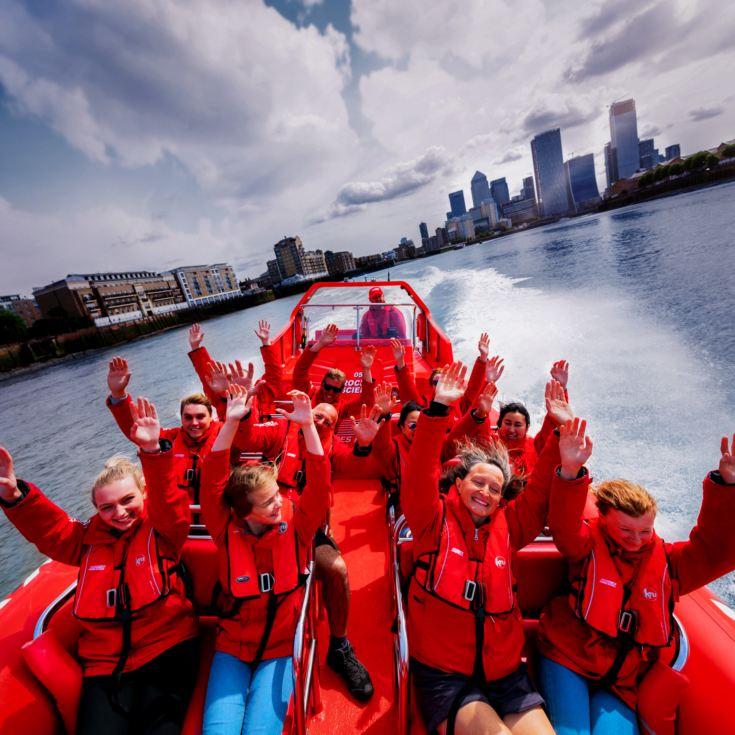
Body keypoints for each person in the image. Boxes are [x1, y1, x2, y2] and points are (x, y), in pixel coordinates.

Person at [0, 399, 199, 735]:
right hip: (105, 665)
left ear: (143, 494)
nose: (119, 513)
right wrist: (13, 495)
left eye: (128, 501)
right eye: (107, 507)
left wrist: (152, 451)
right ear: (96, 509)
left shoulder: (164, 529)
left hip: (168, 647)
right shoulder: (86, 541)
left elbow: (169, 501)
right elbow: (51, 530)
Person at [401, 363, 571, 735]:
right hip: (446, 676)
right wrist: (438, 409)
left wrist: (558, 427)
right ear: (458, 484)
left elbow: (541, 488)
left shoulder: (510, 527)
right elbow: (418, 475)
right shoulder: (432, 523)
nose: (486, 492)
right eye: (478, 482)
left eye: (495, 489)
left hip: (505, 674)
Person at [536, 422, 735, 735]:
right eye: (625, 531)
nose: (636, 540)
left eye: (645, 531)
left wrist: (726, 486)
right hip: (569, 657)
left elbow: (717, 551)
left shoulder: (669, 563)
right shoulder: (586, 544)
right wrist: (570, 471)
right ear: (603, 520)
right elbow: (563, 526)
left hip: (621, 679)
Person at [197, 386, 330, 734]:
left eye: (276, 496)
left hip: (281, 646)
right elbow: (212, 477)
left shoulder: (297, 525)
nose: (278, 504)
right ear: (243, 511)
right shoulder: (224, 528)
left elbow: (319, 483)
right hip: (232, 646)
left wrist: (308, 427)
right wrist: (228, 422)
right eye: (268, 501)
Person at [232, 394, 376, 701]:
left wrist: (364, 445)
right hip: (267, 516)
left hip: (306, 524)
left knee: (336, 569)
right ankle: (245, 638)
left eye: (328, 420)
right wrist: (242, 414)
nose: (321, 421)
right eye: (317, 415)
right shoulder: (280, 432)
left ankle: (339, 647)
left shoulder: (333, 448)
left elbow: (356, 465)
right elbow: (247, 437)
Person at [106, 356, 221, 506]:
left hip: (216, 517)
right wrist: (118, 394)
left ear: (211, 417)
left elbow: (245, 433)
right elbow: (137, 432)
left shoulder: (223, 434)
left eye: (200, 417)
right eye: (188, 417)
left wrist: (224, 394)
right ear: (181, 418)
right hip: (179, 516)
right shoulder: (171, 438)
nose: (194, 423)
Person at [293, 323, 376, 422]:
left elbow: (367, 402)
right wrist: (320, 344)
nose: (330, 392)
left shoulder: (342, 407)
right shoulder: (309, 394)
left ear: (341, 391)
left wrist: (366, 369)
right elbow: (300, 370)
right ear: (322, 384)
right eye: (328, 387)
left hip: (328, 437)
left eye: (336, 390)